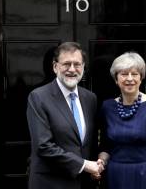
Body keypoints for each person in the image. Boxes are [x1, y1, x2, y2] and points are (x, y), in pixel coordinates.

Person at [26, 42, 102, 189]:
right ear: (55, 67)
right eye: (66, 64)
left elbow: (89, 143)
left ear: (83, 67)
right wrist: (85, 165)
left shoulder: (90, 98)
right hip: (51, 183)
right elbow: (43, 146)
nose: (72, 69)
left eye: (77, 64)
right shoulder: (38, 97)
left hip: (83, 183)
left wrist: (97, 165)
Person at [97, 52, 146, 189]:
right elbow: (105, 146)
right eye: (124, 74)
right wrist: (101, 162)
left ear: (141, 78)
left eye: (135, 74)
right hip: (114, 178)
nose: (130, 79)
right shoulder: (107, 107)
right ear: (116, 79)